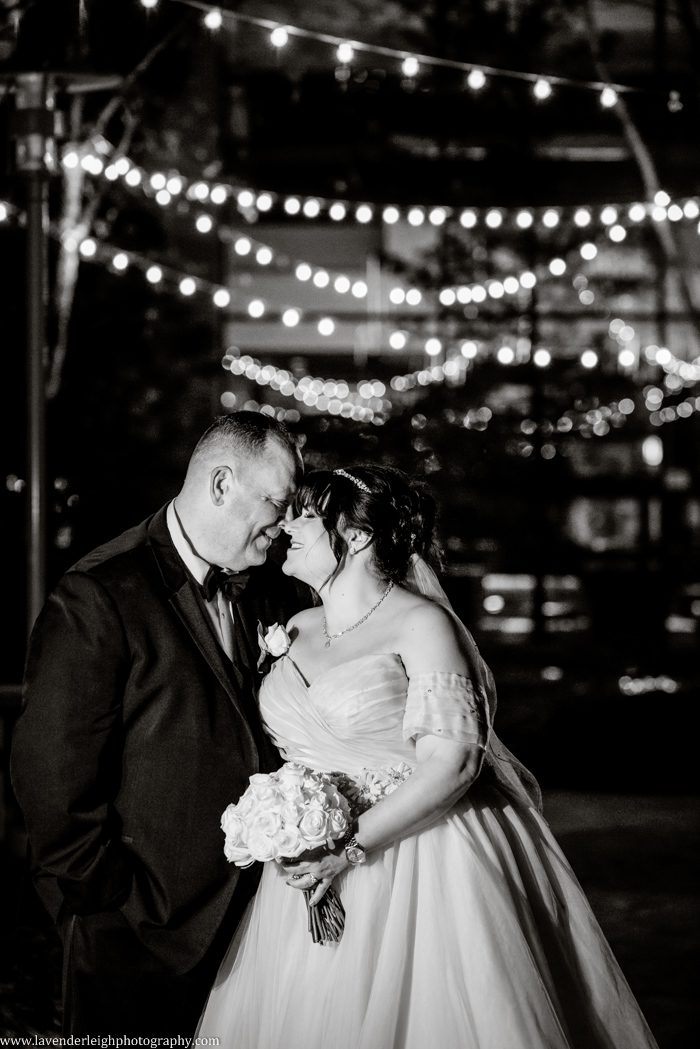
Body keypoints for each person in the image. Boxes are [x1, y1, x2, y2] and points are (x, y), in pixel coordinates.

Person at [196, 463, 659, 1049]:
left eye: (306, 514)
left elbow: (456, 764)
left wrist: (348, 847)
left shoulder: (422, 625)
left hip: (423, 855)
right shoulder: (295, 626)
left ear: (357, 536)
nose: (288, 522)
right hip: (305, 864)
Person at [11, 411, 306, 1039]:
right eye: (276, 503)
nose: (283, 527)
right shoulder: (101, 594)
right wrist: (117, 905)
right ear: (222, 484)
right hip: (139, 935)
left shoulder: (270, 592)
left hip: (255, 928)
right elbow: (52, 781)